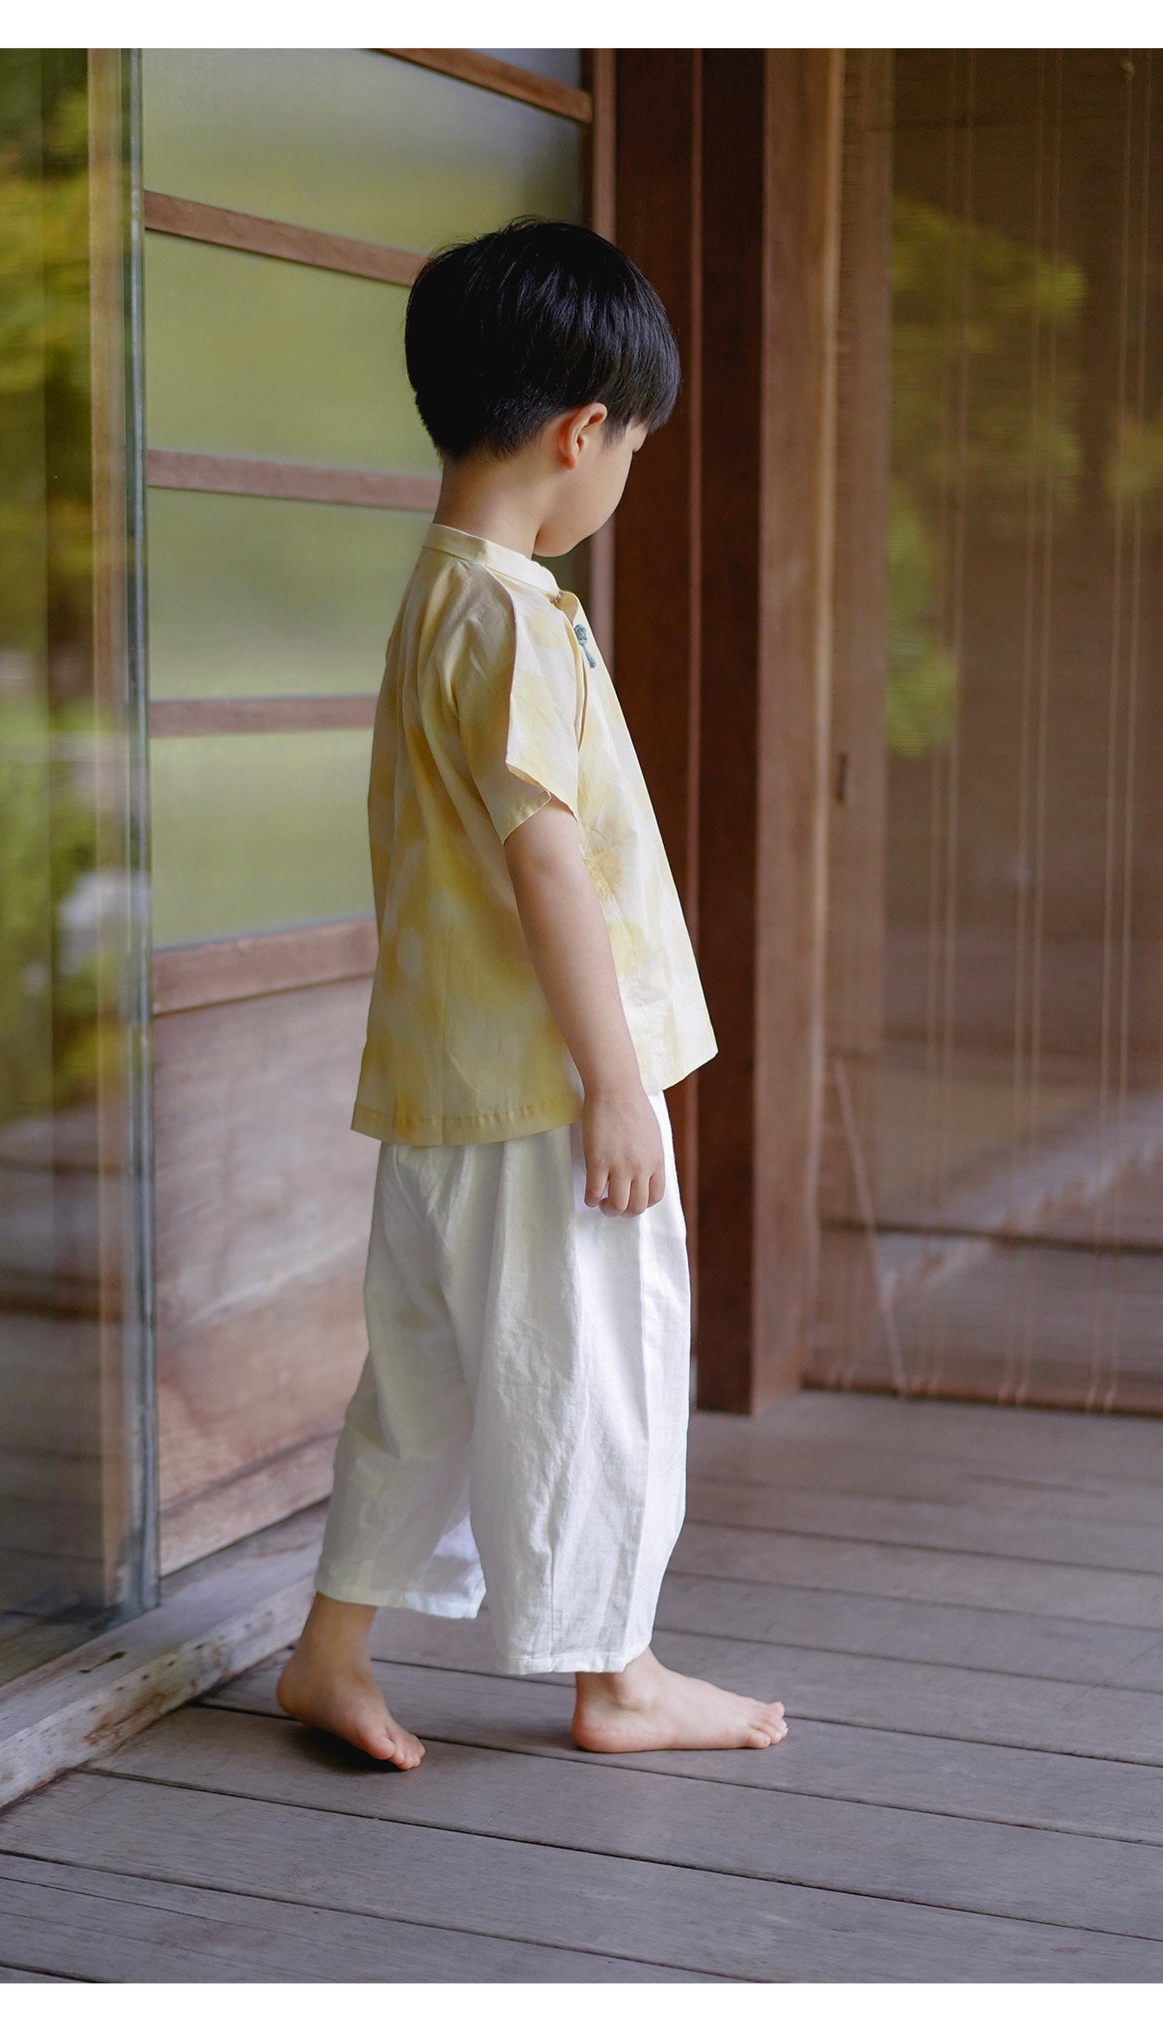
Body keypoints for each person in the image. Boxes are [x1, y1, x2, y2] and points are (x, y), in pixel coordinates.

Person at [276, 218, 787, 1768]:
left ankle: (328, 1653)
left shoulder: (438, 594)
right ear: (584, 432)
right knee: (597, 1374)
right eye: (631, 443)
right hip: (543, 1093)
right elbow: (545, 865)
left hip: (444, 1089)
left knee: (424, 1383)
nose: (622, 470)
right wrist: (618, 1082)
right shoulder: (512, 615)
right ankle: (612, 1677)